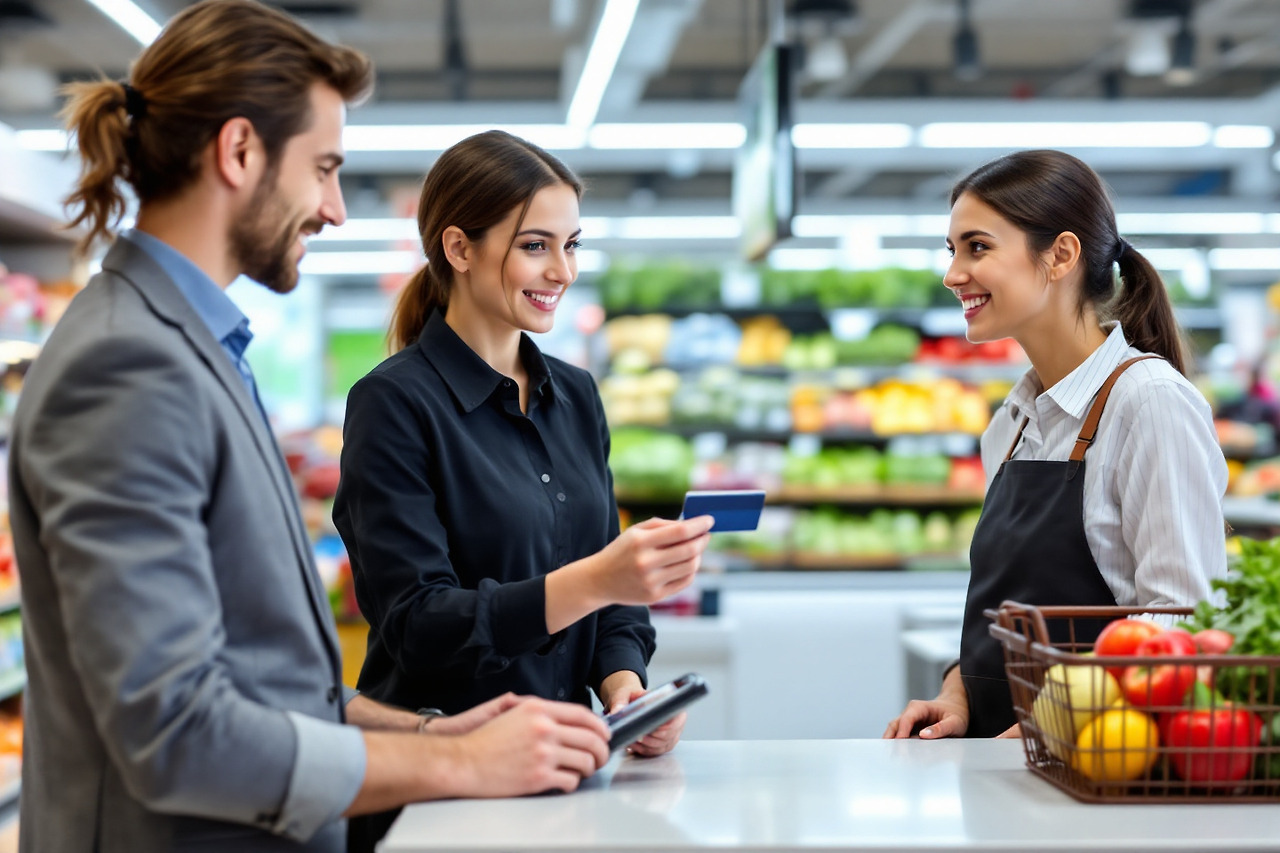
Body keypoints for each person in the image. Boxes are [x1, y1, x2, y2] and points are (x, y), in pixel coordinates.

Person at [9, 3, 612, 851]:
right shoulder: (127, 365)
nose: (335, 209)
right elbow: (175, 730)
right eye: (323, 168)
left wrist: (434, 732)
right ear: (239, 152)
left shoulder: (196, 347)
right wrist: (461, 764)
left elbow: (263, 679)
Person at [331, 130, 715, 849]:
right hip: (436, 792)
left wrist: (625, 687)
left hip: (566, 781)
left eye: (572, 245)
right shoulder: (394, 404)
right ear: (459, 248)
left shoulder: (576, 395)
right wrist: (595, 579)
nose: (562, 271)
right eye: (536, 245)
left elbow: (612, 591)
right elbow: (417, 623)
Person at [883, 149, 1227, 741]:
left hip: (1100, 767)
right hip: (997, 764)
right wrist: (958, 692)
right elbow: (1007, 617)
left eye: (977, 247)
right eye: (952, 251)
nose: (953, 274)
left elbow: (1184, 620)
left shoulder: (1148, 402)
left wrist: (1057, 720)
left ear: (1061, 255)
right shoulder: (1010, 424)